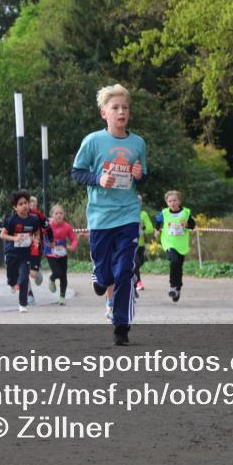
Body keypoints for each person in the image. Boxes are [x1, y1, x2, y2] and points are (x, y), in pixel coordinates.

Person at [71, 83, 146, 346]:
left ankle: (121, 325)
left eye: (125, 107)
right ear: (105, 113)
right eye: (115, 107)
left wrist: (140, 175)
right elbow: (77, 172)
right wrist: (98, 179)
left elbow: (142, 174)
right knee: (105, 274)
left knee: (125, 269)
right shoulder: (93, 141)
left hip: (128, 214)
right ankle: (99, 276)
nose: (121, 111)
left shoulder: (138, 143)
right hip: (101, 216)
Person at [0, 190, 43, 312]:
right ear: (15, 207)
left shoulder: (34, 220)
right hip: (12, 252)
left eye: (26, 203)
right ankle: (11, 282)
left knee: (24, 277)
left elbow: (37, 233)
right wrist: (15, 238)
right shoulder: (11, 220)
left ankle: (23, 304)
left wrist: (36, 240)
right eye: (20, 204)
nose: (24, 205)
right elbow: (2, 235)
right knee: (12, 277)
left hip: (25, 253)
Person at [154, 190, 196, 302]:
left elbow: (193, 226)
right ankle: (173, 286)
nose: (172, 203)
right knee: (174, 261)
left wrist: (187, 224)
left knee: (178, 265)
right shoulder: (164, 212)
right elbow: (158, 221)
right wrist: (157, 230)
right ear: (167, 203)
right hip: (169, 242)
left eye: (174, 200)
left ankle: (178, 288)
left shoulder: (186, 212)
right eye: (170, 201)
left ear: (179, 201)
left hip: (181, 244)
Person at [45, 204, 78, 305]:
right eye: (56, 213)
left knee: (63, 275)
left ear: (64, 215)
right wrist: (47, 243)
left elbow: (73, 239)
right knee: (57, 272)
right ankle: (51, 278)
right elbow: (40, 236)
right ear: (52, 215)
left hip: (63, 254)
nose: (59, 215)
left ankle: (62, 297)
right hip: (51, 254)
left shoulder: (67, 226)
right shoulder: (48, 226)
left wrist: (72, 247)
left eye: (61, 213)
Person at [133, 193, 154, 295]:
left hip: (141, 244)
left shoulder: (143, 214)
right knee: (135, 264)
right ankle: (137, 283)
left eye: (139, 202)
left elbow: (150, 229)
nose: (137, 203)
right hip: (131, 244)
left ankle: (134, 281)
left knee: (140, 262)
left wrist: (143, 228)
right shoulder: (126, 214)